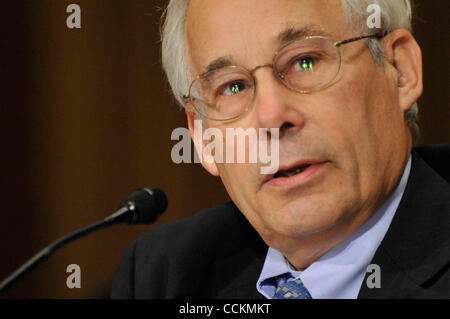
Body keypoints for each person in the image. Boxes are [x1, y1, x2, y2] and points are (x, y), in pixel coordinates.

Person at [111, 0, 450, 298]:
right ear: (201, 135)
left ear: (400, 70)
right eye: (233, 86)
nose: (271, 117)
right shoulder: (165, 276)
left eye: (305, 61)